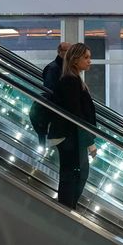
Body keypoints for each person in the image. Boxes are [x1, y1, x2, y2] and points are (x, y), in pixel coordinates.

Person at [51, 43, 97, 209]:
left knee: (76, 174)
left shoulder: (74, 79)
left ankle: (68, 209)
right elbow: (75, 114)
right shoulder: (70, 81)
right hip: (70, 137)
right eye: (86, 57)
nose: (89, 61)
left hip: (72, 137)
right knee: (72, 175)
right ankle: (66, 210)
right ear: (75, 59)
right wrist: (89, 142)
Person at [31, 42, 70, 147]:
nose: (70, 53)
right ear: (60, 52)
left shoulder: (64, 67)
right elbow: (50, 90)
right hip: (55, 112)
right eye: (67, 51)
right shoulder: (53, 68)